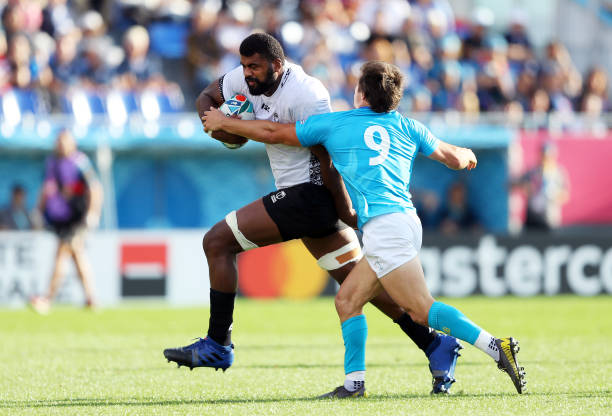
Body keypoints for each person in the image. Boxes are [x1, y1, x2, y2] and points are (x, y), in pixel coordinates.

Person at [202, 60, 527, 396]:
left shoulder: (335, 124)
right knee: (347, 301)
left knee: (421, 308)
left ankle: (495, 345)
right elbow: (454, 158)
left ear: (361, 94)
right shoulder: (408, 126)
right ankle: (354, 385)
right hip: (401, 223)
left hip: (385, 229)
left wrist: (225, 122)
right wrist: (468, 155)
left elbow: (272, 132)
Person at [163, 33, 463, 395]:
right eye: (244, 67)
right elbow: (206, 98)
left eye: (254, 67)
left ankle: (218, 344)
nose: (247, 74)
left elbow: (327, 157)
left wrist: (344, 209)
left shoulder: (308, 92)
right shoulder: (245, 79)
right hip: (305, 201)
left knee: (217, 243)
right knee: (358, 287)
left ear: (277, 64)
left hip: (310, 196)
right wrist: (215, 126)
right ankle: (434, 344)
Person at [29, 129, 103, 314]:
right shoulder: (52, 163)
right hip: (60, 218)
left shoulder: (80, 162)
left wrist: (92, 213)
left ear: (72, 144)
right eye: (58, 142)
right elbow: (47, 188)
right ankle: (91, 299)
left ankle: (47, 298)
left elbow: (95, 188)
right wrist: (39, 210)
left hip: (76, 217)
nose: (60, 146)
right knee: (77, 255)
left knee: (62, 253)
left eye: (64, 142)